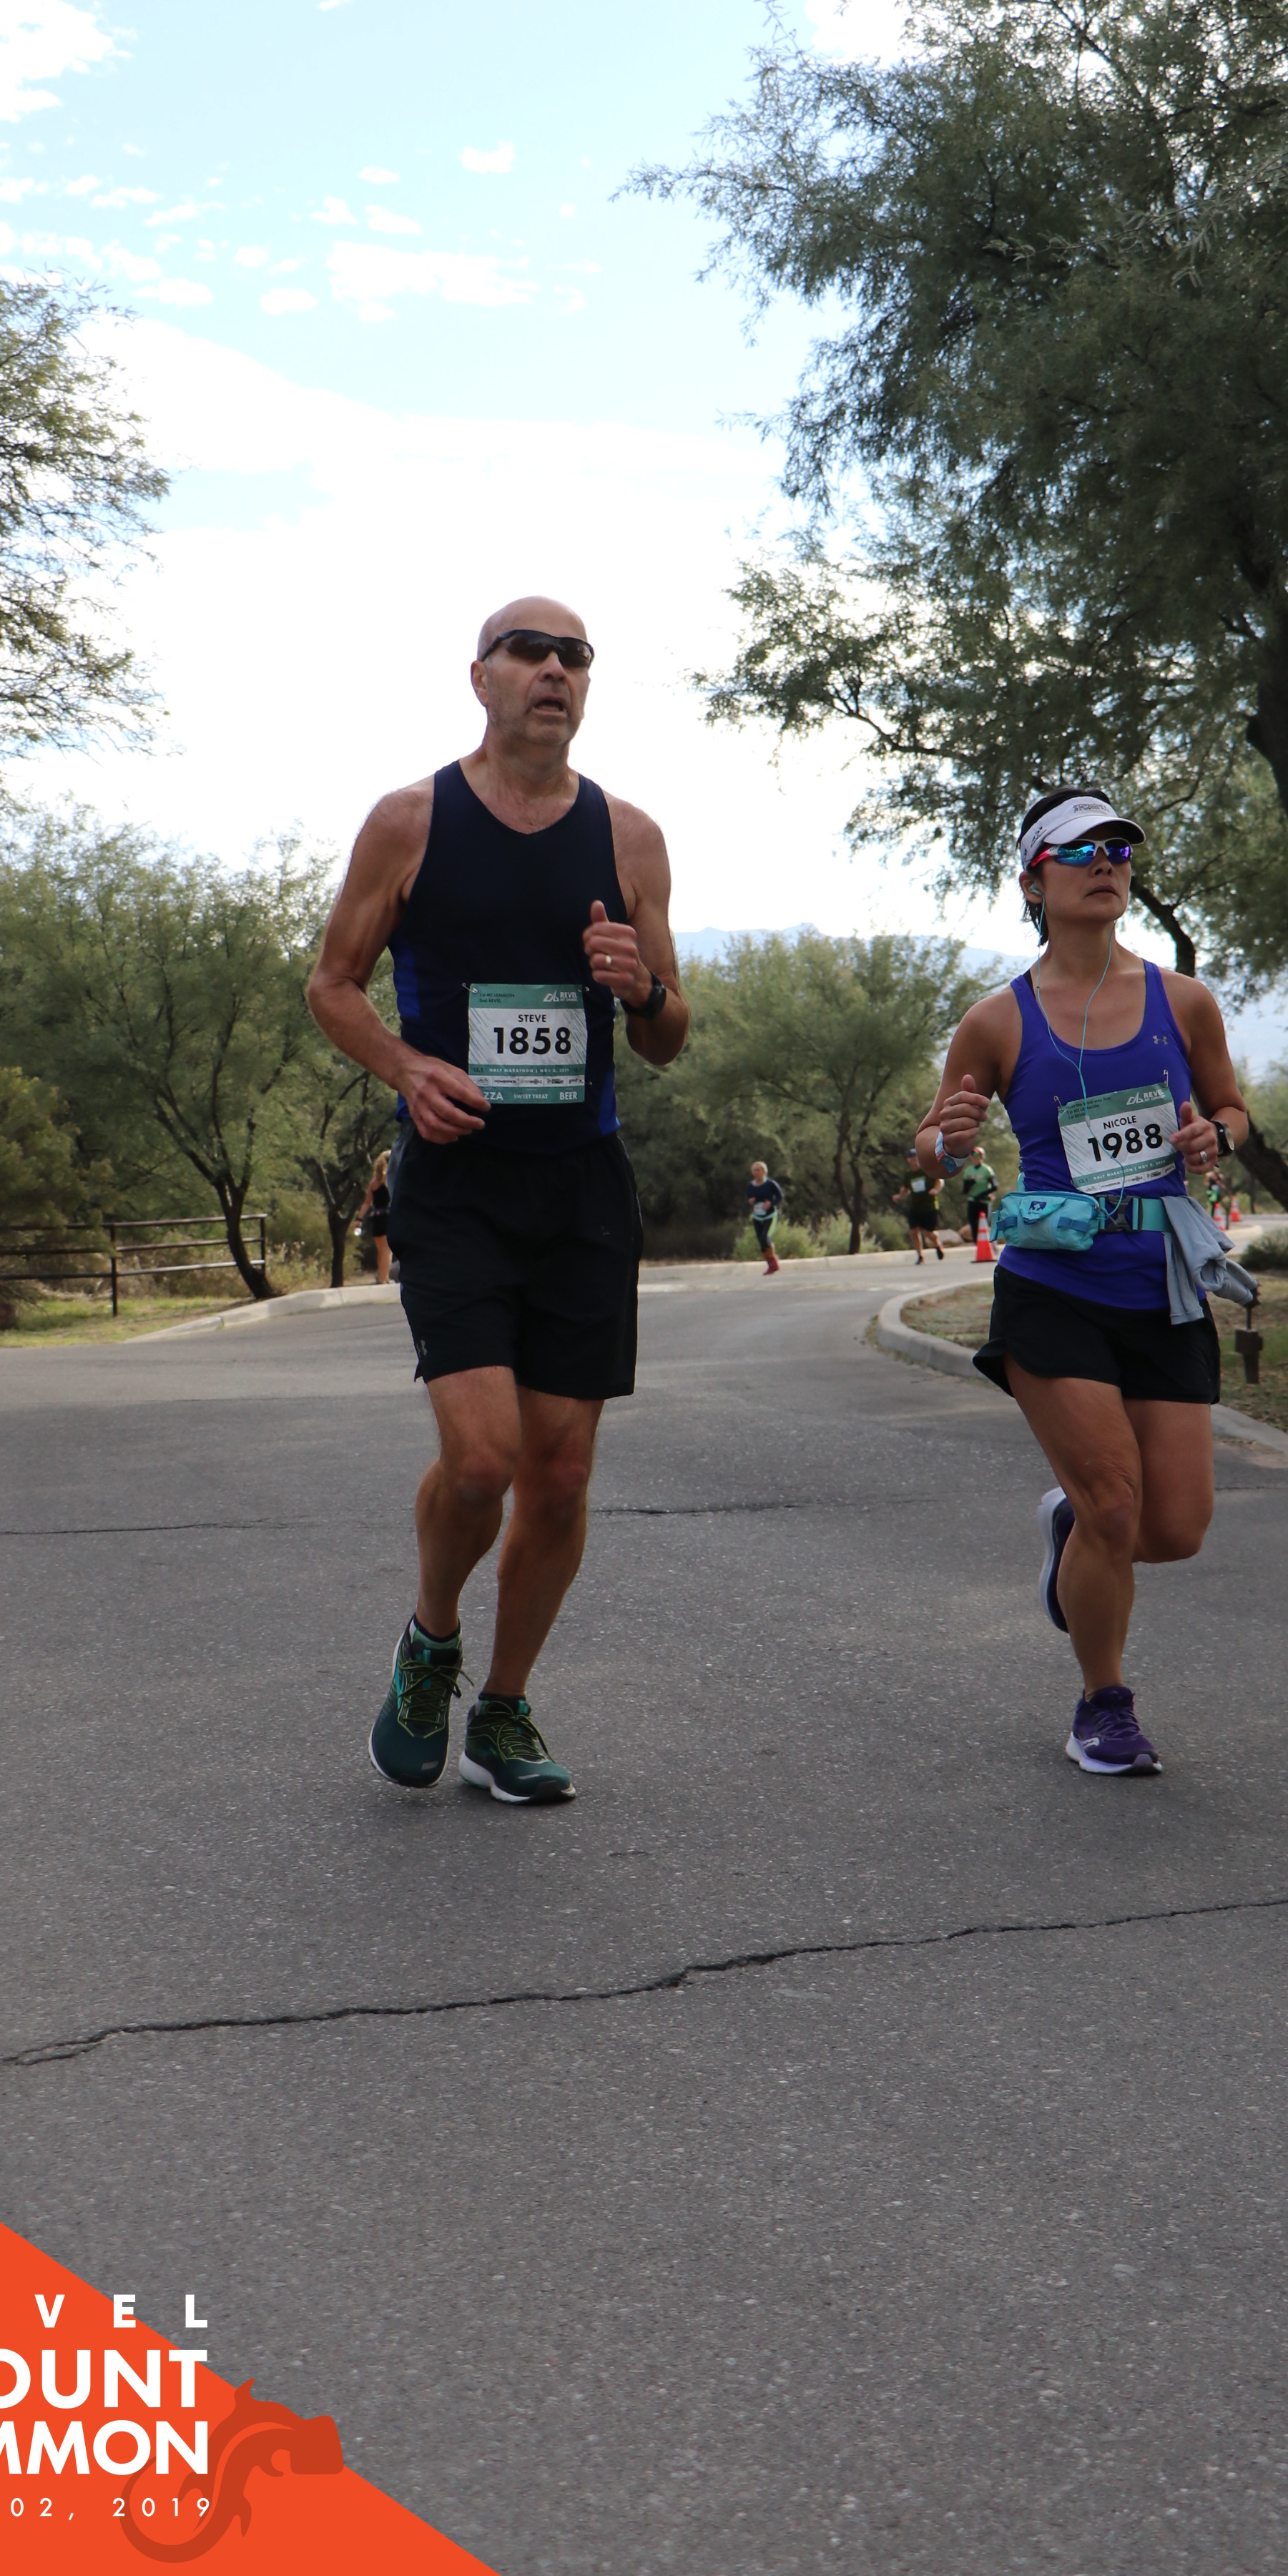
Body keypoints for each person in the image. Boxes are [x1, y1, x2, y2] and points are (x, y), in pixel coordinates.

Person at [307, 595, 688, 1805]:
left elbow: (669, 1033)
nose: (554, 670)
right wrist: (406, 1068)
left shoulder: (630, 836)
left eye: (575, 655)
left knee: (560, 1474)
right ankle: (431, 1640)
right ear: (481, 676)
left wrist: (642, 990)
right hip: (458, 1182)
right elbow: (333, 983)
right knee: (481, 1461)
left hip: (582, 1187)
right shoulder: (411, 820)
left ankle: (505, 1710)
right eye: (530, 650)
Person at [918, 785, 1249, 1779]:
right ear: (1034, 883)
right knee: (1114, 1503)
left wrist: (1214, 1134)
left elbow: (1233, 1111)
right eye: (1077, 851)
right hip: (1052, 1289)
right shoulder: (997, 1020)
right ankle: (1103, 1705)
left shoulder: (1183, 1002)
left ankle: (1071, 1530)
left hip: (1162, 1283)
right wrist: (949, 1143)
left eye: (1118, 848)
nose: (1104, 862)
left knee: (1173, 1528)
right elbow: (931, 1142)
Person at [355, 1149, 393, 1284]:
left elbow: (367, 1203)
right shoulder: (390, 1180)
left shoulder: (373, 1183)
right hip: (388, 1217)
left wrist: (359, 1219)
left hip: (376, 1218)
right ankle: (383, 1280)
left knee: (381, 1251)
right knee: (388, 1250)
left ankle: (385, 1278)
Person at [900, 1156, 946, 1264]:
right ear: (908, 1160)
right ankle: (920, 1256)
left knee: (927, 1232)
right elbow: (905, 1189)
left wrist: (936, 1190)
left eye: (916, 1157)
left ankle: (938, 1245)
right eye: (911, 1158)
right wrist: (900, 1196)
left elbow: (939, 1180)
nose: (914, 1160)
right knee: (913, 1231)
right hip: (915, 1207)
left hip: (929, 1207)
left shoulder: (928, 1170)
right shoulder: (908, 1175)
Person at [744, 1161, 785, 1274]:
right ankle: (771, 1265)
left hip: (770, 1216)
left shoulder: (770, 1184)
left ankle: (774, 1261)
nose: (755, 1172)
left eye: (758, 1170)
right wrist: (749, 1202)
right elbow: (747, 1200)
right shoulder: (750, 1186)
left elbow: (780, 1196)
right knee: (761, 1243)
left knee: (765, 1238)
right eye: (754, 1170)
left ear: (764, 1172)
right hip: (757, 1217)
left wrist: (771, 1204)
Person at [961, 1145, 999, 1243]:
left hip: (984, 1201)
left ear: (982, 1158)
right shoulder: (968, 1171)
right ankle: (977, 1244)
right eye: (973, 1157)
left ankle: (987, 1243)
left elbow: (995, 1186)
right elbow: (965, 1191)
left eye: (977, 1157)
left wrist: (982, 1195)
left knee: (983, 1223)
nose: (975, 1159)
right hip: (972, 1200)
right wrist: (969, 1184)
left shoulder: (987, 1170)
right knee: (973, 1223)